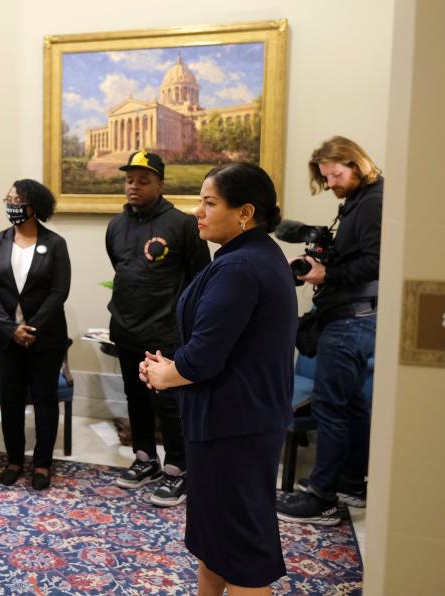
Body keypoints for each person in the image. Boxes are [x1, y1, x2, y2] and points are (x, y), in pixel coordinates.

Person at [141, 162, 297, 594]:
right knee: (218, 542)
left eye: (210, 203)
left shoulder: (240, 267)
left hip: (234, 425)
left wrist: (165, 373)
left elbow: (204, 358)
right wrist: (169, 368)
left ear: (245, 212)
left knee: (242, 552)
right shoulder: (248, 256)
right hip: (235, 420)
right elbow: (218, 342)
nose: (198, 211)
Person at [277, 136, 382, 524]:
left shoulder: (373, 202)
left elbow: (375, 262)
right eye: (326, 178)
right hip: (357, 315)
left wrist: (327, 273)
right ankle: (350, 483)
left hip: (351, 318)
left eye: (336, 175)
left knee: (330, 406)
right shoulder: (359, 201)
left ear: (356, 164)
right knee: (352, 404)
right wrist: (320, 260)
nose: (332, 183)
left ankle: (322, 498)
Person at [105, 150, 211, 506]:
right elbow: (120, 269)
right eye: (129, 180)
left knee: (168, 404)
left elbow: (200, 278)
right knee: (135, 396)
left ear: (160, 184)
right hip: (125, 329)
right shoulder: (116, 226)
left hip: (165, 333)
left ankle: (178, 468)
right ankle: (145, 458)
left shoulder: (181, 225)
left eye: (143, 180)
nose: (134, 186)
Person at [0, 179, 70, 490]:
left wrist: (31, 327)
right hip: (6, 338)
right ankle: (15, 460)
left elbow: (59, 292)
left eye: (17, 199)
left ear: (34, 205)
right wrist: (10, 328)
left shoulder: (55, 244)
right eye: (9, 197)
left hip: (45, 337)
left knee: (45, 398)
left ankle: (43, 463)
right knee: (12, 399)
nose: (11, 203)